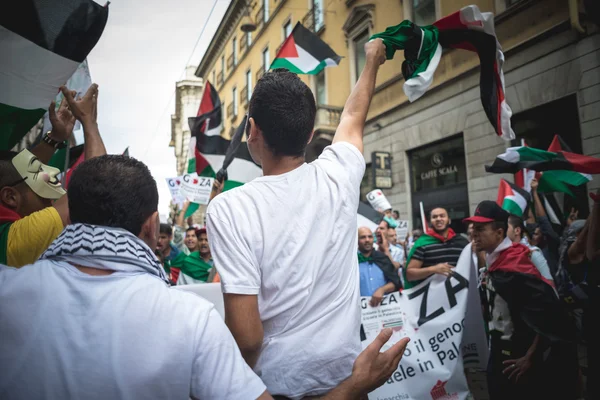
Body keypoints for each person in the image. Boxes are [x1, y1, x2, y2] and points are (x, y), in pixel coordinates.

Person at [0, 154, 410, 400]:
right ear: (151, 226)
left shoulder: (7, 292)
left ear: (69, 214)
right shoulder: (189, 320)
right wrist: (352, 387)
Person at [206, 39, 388, 398]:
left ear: (252, 130)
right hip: (351, 381)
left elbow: (246, 339)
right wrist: (372, 61)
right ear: (309, 134)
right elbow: (352, 117)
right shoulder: (339, 175)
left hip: (272, 390)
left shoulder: (228, 208)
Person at [465, 201, 577, 400]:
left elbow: (549, 313)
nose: (474, 234)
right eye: (474, 229)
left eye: (481, 229)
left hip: (519, 360)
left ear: (499, 232)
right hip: (498, 354)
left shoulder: (519, 262)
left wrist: (530, 357)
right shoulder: (493, 262)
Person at [0, 85, 105, 267]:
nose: (52, 199)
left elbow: (20, 170)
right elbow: (98, 183)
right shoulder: (15, 241)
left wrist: (54, 138)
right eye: (42, 190)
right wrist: (89, 122)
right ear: (10, 197)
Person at [404, 207, 469, 289]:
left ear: (449, 220)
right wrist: (433, 269)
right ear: (430, 222)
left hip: (461, 295)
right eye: (434, 217)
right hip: (432, 298)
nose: (438, 219)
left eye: (442, 216)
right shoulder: (422, 244)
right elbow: (409, 275)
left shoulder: (463, 242)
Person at [358, 227, 402, 307]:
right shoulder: (352, 262)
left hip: (383, 311)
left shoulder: (382, 258)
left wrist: (382, 289)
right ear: (357, 240)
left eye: (370, 237)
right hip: (360, 311)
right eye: (363, 237)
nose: (367, 240)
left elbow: (396, 282)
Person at [527, 178, 561, 276]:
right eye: (533, 233)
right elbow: (529, 218)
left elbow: (543, 220)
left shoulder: (551, 245)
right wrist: (525, 197)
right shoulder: (527, 249)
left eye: (537, 233)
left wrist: (534, 193)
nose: (534, 235)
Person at [507, 215, 553, 283]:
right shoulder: (505, 256)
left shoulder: (533, 253)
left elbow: (549, 283)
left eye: (506, 227)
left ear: (517, 230)